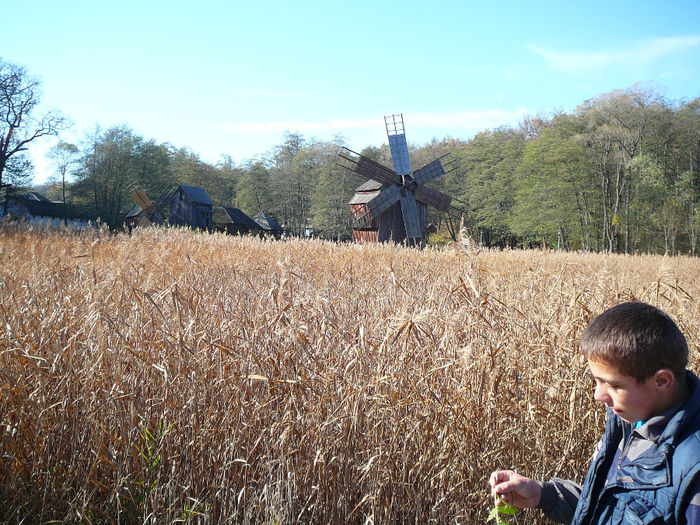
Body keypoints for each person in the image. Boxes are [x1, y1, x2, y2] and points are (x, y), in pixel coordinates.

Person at [489, 301, 700, 524]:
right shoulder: (627, 420)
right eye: (596, 381)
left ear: (661, 380)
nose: (598, 396)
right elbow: (611, 506)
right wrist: (543, 494)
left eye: (613, 386)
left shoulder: (693, 468)